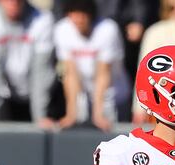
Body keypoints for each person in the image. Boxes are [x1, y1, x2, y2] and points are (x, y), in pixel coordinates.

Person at [0, 0, 55, 128]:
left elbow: (41, 71)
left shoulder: (43, 19)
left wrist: (41, 116)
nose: (13, 3)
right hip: (4, 97)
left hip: (37, 95)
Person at [54, 0, 130, 131]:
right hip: (84, 96)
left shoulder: (107, 29)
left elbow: (103, 74)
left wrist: (98, 114)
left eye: (82, 15)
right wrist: (71, 113)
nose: (78, 20)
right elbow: (70, 73)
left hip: (112, 95)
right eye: (74, 14)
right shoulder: (62, 29)